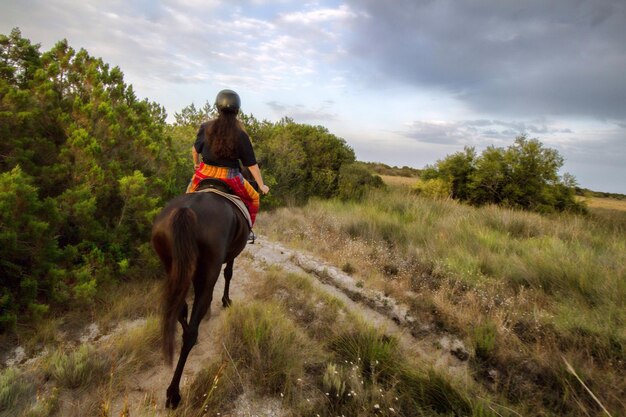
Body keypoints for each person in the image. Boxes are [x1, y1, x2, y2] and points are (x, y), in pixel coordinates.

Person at [186, 89, 269, 227]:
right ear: (237, 110)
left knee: (187, 197)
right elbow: (252, 165)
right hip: (230, 176)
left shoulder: (206, 127)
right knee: (254, 198)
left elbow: (195, 150)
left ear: (217, 107)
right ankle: (249, 233)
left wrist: (196, 164)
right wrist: (261, 185)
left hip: (204, 172)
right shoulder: (241, 134)